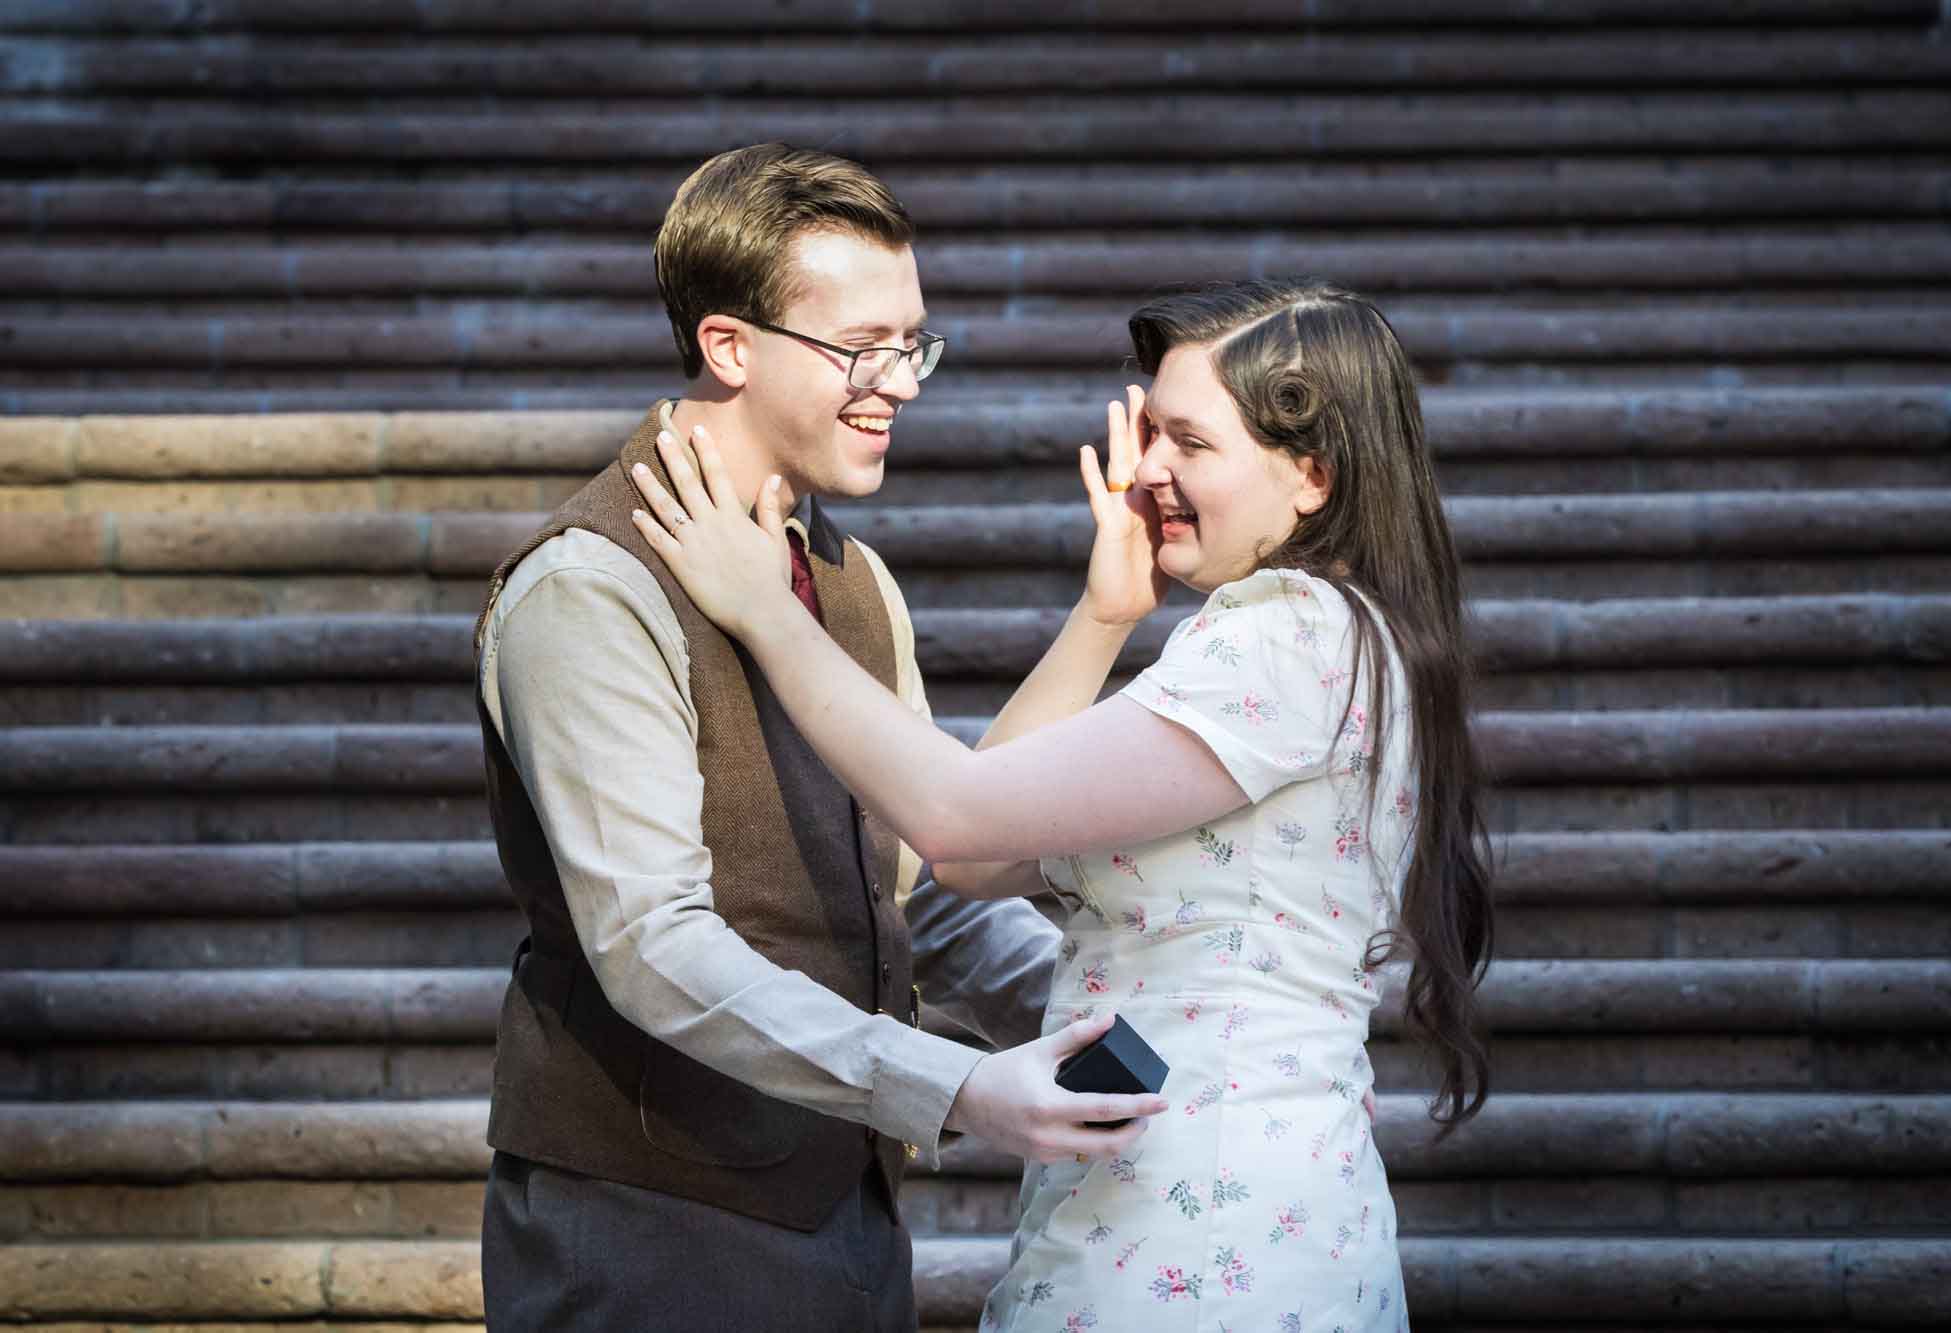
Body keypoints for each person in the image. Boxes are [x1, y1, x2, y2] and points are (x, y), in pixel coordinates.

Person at [630, 278, 1496, 1331]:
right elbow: (976, 860)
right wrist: (1102, 615)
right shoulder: (1339, 638)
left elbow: (950, 816)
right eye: (1150, 430)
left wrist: (767, 611)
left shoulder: (1281, 635)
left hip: (1200, 1244)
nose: (1149, 471)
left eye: (1189, 440)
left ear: (1309, 475)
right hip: (1233, 1212)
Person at [473, 142, 1168, 1333]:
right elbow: (649, 942)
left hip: (843, 1212)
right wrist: (952, 1085)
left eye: (911, 343)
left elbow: (910, 888)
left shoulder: (851, 577)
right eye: (859, 348)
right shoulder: (587, 586)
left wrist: (1124, 1030)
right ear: (727, 346)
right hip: (649, 1227)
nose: (896, 380)